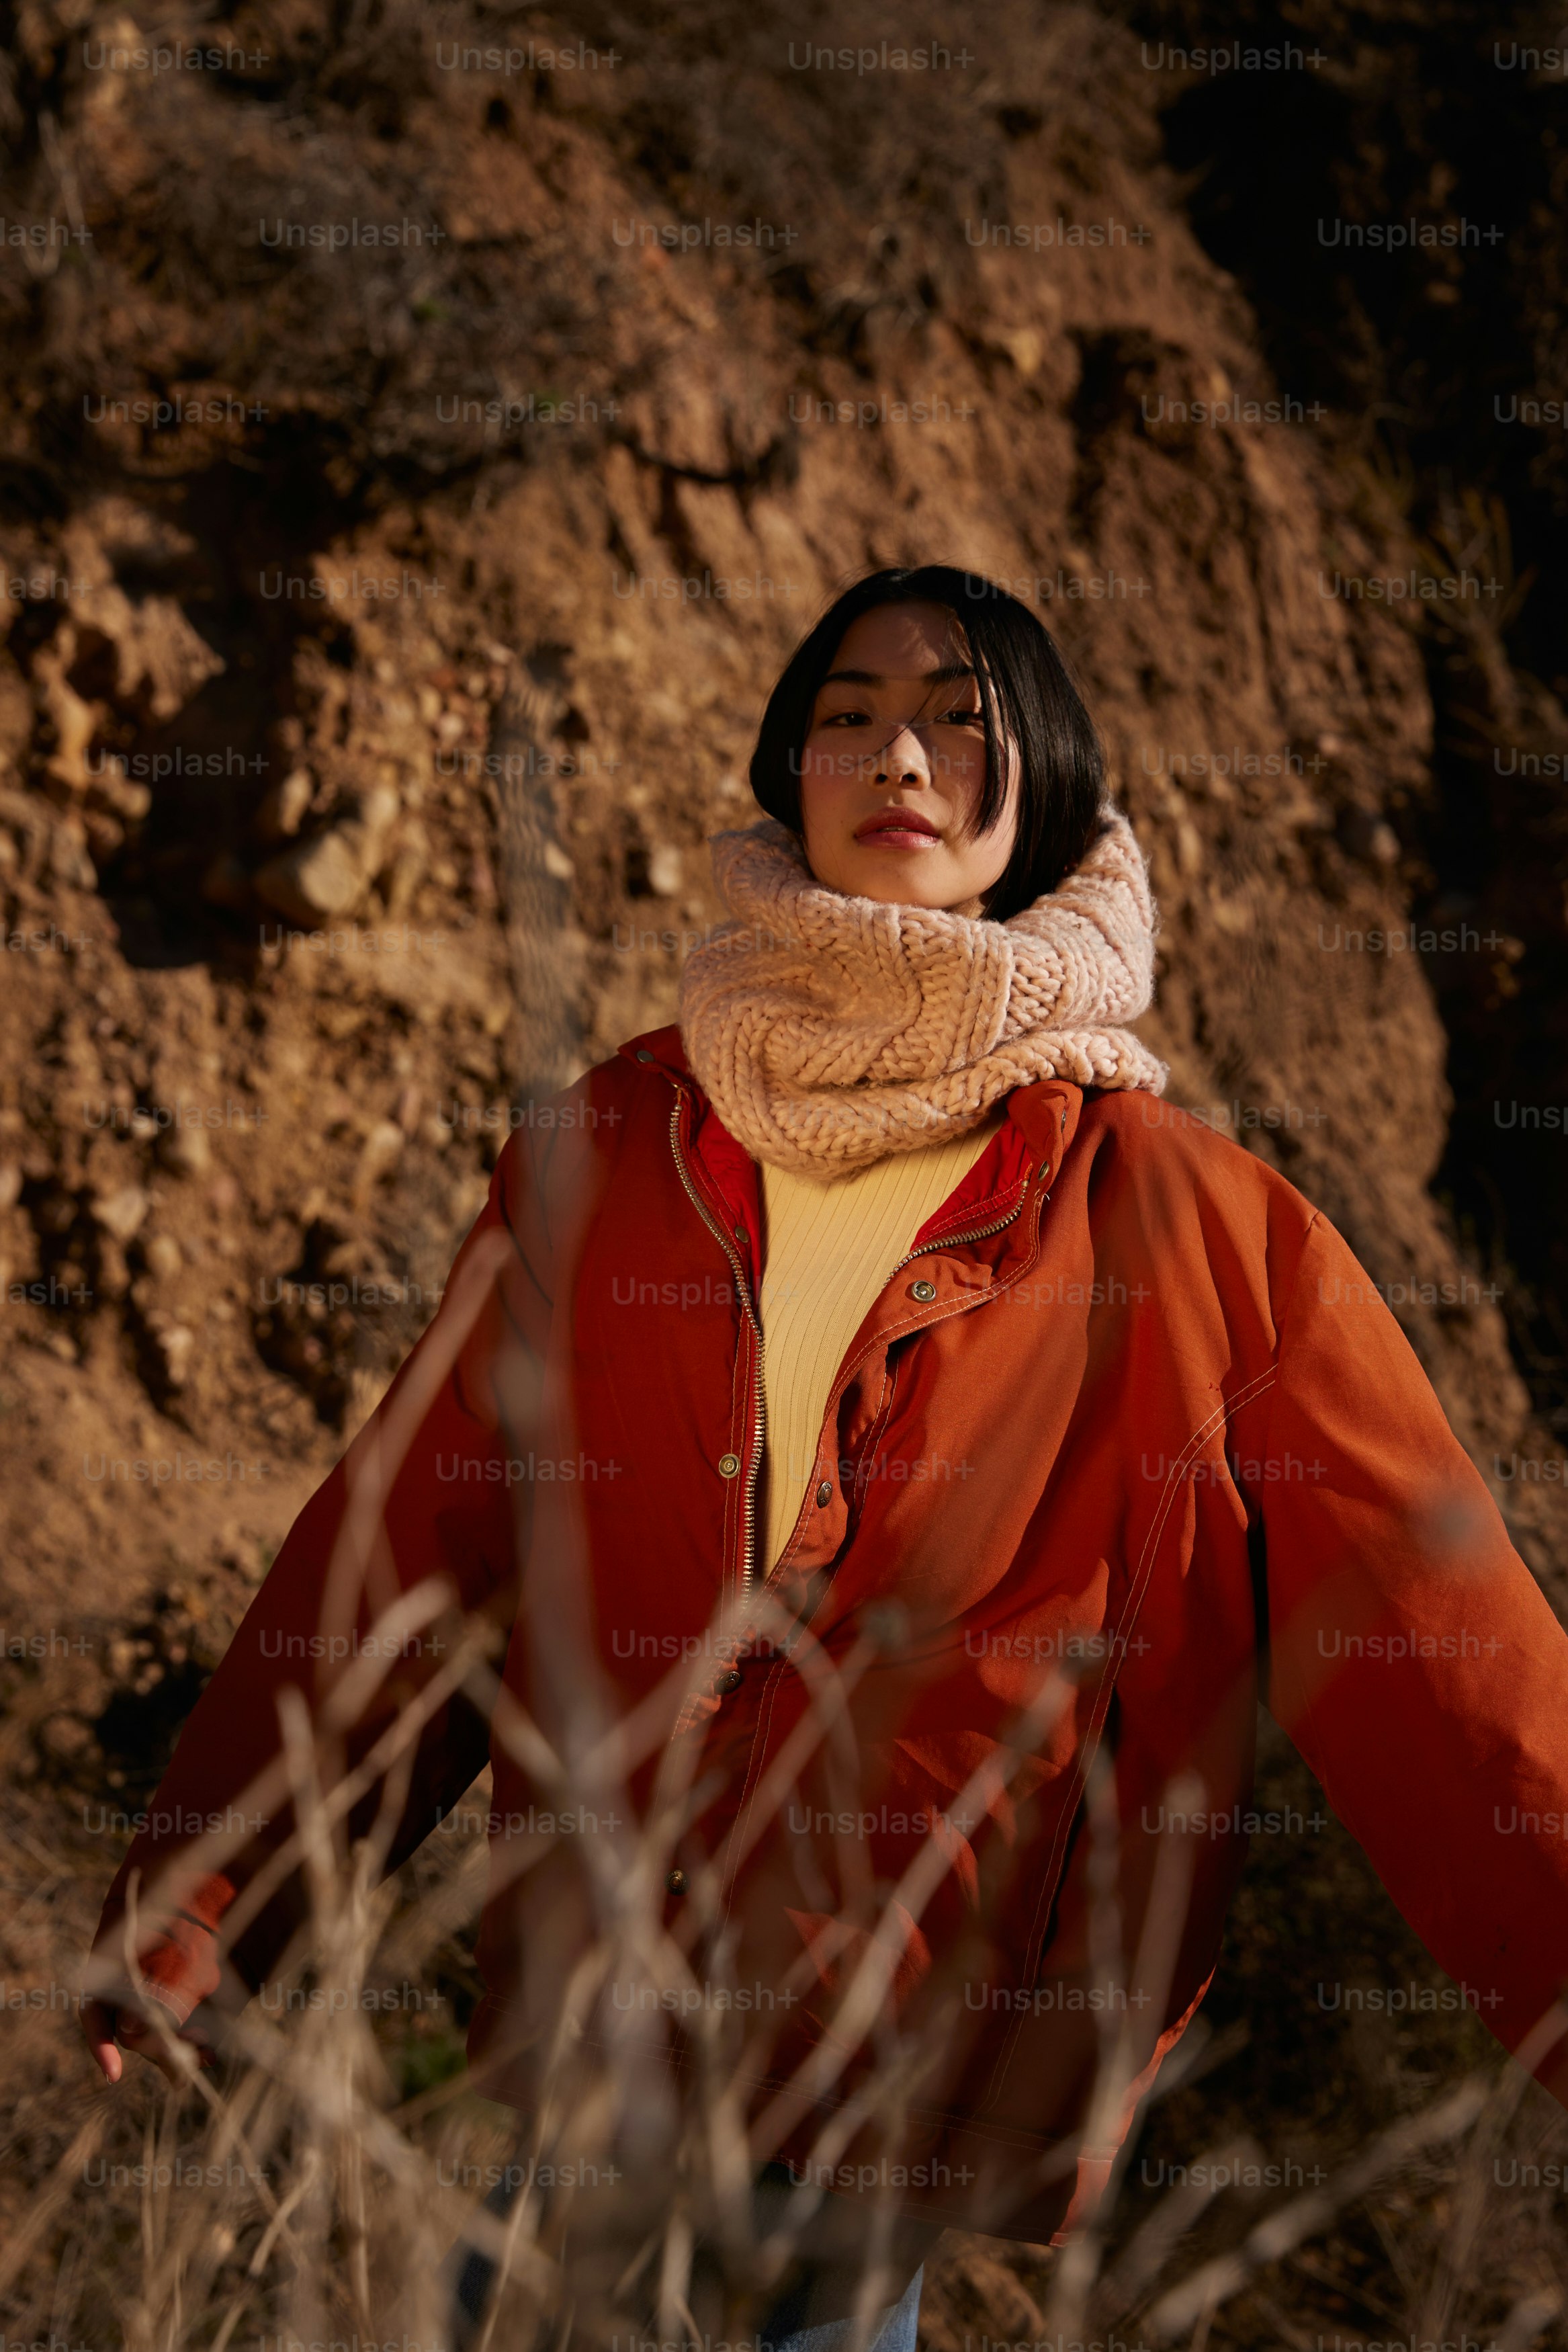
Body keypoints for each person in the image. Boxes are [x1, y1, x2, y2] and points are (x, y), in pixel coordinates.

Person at [82, 566, 1568, 2351]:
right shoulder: (615, 1148)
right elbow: (406, 1550)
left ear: (1054, 794)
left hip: (885, 2087)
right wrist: (194, 1913)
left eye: (960, 718)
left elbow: (1441, 1652)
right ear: (787, 773)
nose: (900, 756)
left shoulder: (1196, 1233)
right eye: (848, 715)